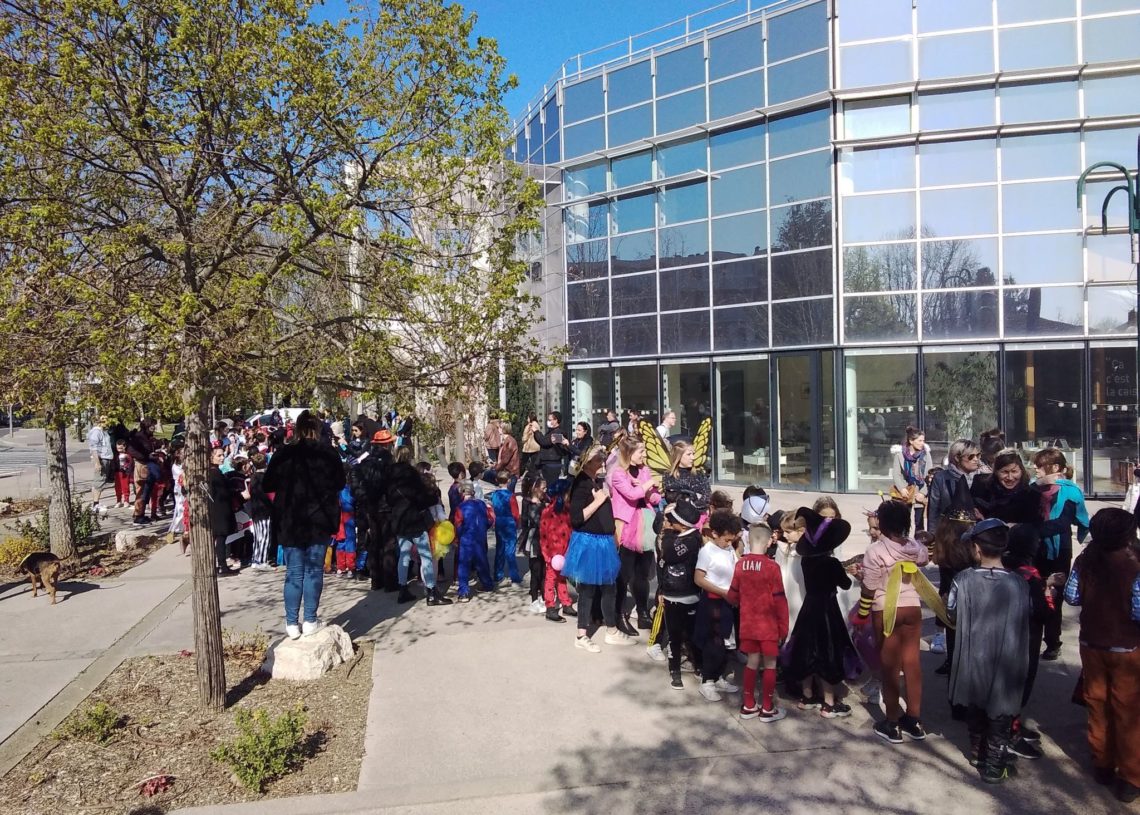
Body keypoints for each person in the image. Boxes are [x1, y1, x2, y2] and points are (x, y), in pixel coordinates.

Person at [1064, 507, 1140, 804]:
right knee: (1129, 710)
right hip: (1128, 648)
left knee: (1097, 702)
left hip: (1092, 643)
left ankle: (1102, 763)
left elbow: (1072, 597)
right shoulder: (1135, 564)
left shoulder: (1085, 561)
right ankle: (1131, 776)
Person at [947, 518, 1031, 784]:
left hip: (974, 651)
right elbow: (1026, 613)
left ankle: (977, 753)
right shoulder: (1019, 583)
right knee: (1001, 709)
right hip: (1008, 655)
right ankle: (994, 764)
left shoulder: (963, 580)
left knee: (976, 702)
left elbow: (951, 611)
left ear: (977, 549)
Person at [856, 499, 936, 744]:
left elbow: (869, 586)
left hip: (886, 609)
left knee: (889, 667)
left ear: (882, 523)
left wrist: (862, 610)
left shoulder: (876, 551)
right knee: (912, 663)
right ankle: (914, 719)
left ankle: (891, 721)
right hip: (912, 607)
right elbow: (924, 557)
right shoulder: (914, 547)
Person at [263, 410, 345, 638]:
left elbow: (267, 484)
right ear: (317, 429)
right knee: (313, 571)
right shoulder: (328, 453)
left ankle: (292, 623)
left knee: (294, 572)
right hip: (319, 518)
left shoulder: (284, 454)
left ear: (296, 429)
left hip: (290, 519)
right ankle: (309, 619)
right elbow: (340, 482)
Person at [785, 507, 858, 719]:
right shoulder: (832, 563)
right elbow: (844, 585)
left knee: (807, 650)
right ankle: (828, 702)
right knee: (828, 653)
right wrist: (848, 572)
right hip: (827, 609)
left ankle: (807, 696)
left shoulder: (807, 561)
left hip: (809, 606)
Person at [562, 444, 631, 652]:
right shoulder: (581, 484)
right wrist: (599, 500)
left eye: (602, 458)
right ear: (587, 462)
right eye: (597, 459)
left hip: (602, 542)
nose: (602, 462)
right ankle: (581, 635)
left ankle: (611, 630)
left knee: (609, 587)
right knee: (588, 590)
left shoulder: (594, 480)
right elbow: (576, 518)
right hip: (589, 542)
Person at [727, 521, 789, 722]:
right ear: (768, 541)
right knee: (770, 664)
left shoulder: (740, 565)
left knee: (752, 662)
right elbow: (780, 599)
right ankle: (768, 708)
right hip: (768, 624)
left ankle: (748, 704)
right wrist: (784, 627)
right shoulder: (772, 567)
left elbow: (732, 595)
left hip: (748, 623)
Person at [1032, 448, 1089, 661]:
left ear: (1055, 468)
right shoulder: (1032, 489)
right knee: (1035, 592)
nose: (1035, 470)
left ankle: (1053, 642)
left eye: (1039, 466)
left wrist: (1032, 531)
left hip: (1059, 551)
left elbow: (1063, 522)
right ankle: (1033, 640)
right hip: (1035, 550)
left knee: (1053, 597)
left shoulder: (1071, 492)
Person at [609, 437, 661, 631]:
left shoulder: (645, 471)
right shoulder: (618, 474)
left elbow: (655, 498)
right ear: (629, 454)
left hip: (646, 524)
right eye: (641, 452)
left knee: (643, 572)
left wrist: (648, 489)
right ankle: (619, 613)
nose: (644, 454)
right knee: (624, 572)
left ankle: (643, 613)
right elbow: (631, 495)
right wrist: (646, 486)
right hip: (627, 525)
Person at [389, 446, 450, 605]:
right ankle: (431, 591)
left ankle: (402, 589)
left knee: (404, 555)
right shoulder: (412, 474)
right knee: (426, 556)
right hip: (414, 520)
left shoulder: (389, 475)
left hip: (399, 519)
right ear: (410, 456)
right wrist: (431, 500)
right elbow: (420, 497)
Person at [693, 510, 741, 702]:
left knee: (727, 643)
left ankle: (719, 676)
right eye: (726, 540)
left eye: (732, 540)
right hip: (713, 602)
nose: (729, 543)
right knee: (713, 643)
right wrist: (723, 592)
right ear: (715, 534)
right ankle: (707, 681)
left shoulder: (729, 550)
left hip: (728, 602)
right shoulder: (707, 551)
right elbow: (698, 579)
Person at [656, 500, 704, 689]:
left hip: (688, 595)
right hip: (670, 596)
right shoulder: (681, 535)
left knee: (692, 635)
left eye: (670, 521)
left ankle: (699, 666)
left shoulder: (691, 540)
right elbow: (662, 564)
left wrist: (667, 533)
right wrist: (661, 589)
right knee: (674, 636)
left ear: (682, 524)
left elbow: (669, 554)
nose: (668, 524)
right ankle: (675, 669)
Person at [539, 477, 575, 622]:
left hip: (565, 551)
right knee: (551, 579)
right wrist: (547, 554)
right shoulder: (548, 512)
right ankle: (550, 606)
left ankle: (566, 602)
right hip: (552, 554)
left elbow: (570, 530)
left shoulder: (567, 511)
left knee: (562, 578)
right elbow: (543, 534)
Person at [453, 480, 495, 603]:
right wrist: (483, 528)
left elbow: (458, 524)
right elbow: (489, 520)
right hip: (480, 537)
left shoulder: (460, 507)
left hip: (466, 539)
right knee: (482, 562)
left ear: (462, 493)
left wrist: (457, 537)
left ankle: (464, 592)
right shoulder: (482, 504)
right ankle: (487, 584)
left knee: (464, 565)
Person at [927, 438, 981, 527]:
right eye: (971, 456)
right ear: (957, 458)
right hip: (949, 532)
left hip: (975, 533)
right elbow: (933, 511)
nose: (976, 459)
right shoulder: (941, 478)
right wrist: (933, 536)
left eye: (978, 455)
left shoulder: (981, 478)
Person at [207, 445, 239, 577]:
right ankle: (222, 566)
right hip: (219, 510)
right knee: (220, 538)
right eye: (218, 455)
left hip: (220, 508)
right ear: (211, 457)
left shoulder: (216, 472)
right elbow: (221, 493)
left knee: (220, 538)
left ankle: (220, 564)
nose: (222, 458)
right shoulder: (214, 474)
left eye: (222, 455)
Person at [517, 472, 547, 614]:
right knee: (535, 570)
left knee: (543, 570)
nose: (545, 490)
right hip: (534, 539)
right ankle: (534, 598)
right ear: (535, 488)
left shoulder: (545, 502)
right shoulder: (528, 502)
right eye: (543, 488)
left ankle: (542, 596)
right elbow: (525, 521)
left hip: (544, 540)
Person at [892, 426, 929, 533]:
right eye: (920, 440)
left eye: (923, 440)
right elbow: (896, 474)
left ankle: (919, 545)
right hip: (906, 493)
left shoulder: (926, 455)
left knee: (919, 523)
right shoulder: (900, 455)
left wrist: (923, 492)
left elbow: (929, 475)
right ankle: (904, 544)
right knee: (904, 522)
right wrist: (902, 488)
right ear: (911, 441)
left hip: (920, 492)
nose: (922, 443)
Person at [490, 470, 522, 587]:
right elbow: (515, 512)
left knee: (500, 548)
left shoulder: (494, 495)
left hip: (499, 521)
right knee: (510, 550)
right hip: (509, 522)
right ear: (508, 481)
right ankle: (514, 577)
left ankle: (498, 575)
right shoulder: (511, 495)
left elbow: (493, 509)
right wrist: (517, 522)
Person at [127, 418, 161, 525]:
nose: (154, 428)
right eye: (152, 426)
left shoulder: (147, 437)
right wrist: (146, 456)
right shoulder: (139, 437)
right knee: (142, 491)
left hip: (146, 465)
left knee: (146, 491)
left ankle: (139, 513)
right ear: (146, 426)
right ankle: (138, 516)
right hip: (141, 466)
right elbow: (131, 450)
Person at [662, 440, 711, 512]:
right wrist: (695, 496)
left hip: (700, 516)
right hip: (679, 518)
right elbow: (673, 499)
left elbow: (707, 496)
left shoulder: (699, 474)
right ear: (678, 456)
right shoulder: (669, 476)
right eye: (689, 454)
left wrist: (692, 501)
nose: (693, 457)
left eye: (693, 454)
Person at [247, 452, 273, 570]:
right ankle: (262, 561)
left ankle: (256, 559)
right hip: (264, 510)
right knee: (264, 536)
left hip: (255, 510)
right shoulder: (264, 478)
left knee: (258, 536)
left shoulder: (253, 478)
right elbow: (270, 496)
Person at [533, 411, 571, 485]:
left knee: (551, 485)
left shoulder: (559, 432)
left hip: (552, 464)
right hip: (546, 462)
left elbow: (544, 442)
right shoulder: (551, 431)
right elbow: (542, 442)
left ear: (556, 420)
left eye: (550, 420)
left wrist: (536, 432)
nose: (548, 422)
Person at [86, 415, 113, 516]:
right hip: (101, 459)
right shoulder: (96, 432)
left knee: (101, 481)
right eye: (104, 420)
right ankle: (95, 504)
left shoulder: (103, 431)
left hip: (106, 458)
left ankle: (96, 503)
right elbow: (94, 448)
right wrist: (97, 462)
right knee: (99, 481)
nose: (107, 422)